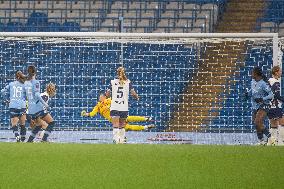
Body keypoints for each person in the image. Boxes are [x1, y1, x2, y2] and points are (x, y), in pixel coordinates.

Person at [81, 93, 154, 131]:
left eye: (101, 96)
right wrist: (86, 114)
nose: (100, 98)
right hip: (113, 120)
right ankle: (145, 127)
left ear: (104, 97)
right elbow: (92, 113)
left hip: (118, 114)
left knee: (128, 118)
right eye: (99, 97)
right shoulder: (98, 106)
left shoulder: (110, 100)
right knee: (127, 127)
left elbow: (118, 102)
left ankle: (146, 119)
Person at [105, 67, 139, 144]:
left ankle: (115, 140)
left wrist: (108, 96)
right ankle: (122, 139)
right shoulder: (128, 82)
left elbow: (107, 94)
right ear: (124, 73)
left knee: (115, 124)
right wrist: (137, 97)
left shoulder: (112, 82)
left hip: (115, 106)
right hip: (124, 107)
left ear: (117, 73)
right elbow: (133, 93)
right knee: (122, 124)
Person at [24, 65, 53, 142]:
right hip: (37, 107)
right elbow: (37, 95)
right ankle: (44, 139)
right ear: (35, 72)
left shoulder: (26, 83)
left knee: (39, 125)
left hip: (30, 109)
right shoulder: (36, 82)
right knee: (51, 122)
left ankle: (30, 140)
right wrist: (45, 104)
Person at [246, 67, 274, 145]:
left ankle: (271, 138)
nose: (251, 74)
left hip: (264, 104)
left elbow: (271, 95)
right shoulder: (252, 81)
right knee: (256, 123)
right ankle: (261, 141)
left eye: (252, 73)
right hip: (255, 105)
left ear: (256, 74)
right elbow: (252, 90)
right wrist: (247, 94)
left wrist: (262, 99)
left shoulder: (263, 83)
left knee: (258, 121)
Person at [1, 71, 27, 142]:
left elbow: (2, 91)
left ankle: (17, 136)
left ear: (16, 76)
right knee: (22, 124)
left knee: (14, 124)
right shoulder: (24, 84)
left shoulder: (11, 84)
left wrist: (6, 100)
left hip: (13, 105)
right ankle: (23, 139)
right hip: (22, 106)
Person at [268, 65, 284, 145]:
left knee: (273, 124)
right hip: (276, 106)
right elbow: (276, 95)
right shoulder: (276, 82)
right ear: (276, 72)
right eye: (280, 71)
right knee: (282, 122)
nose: (281, 73)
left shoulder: (269, 81)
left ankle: (271, 142)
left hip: (269, 106)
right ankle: (281, 142)